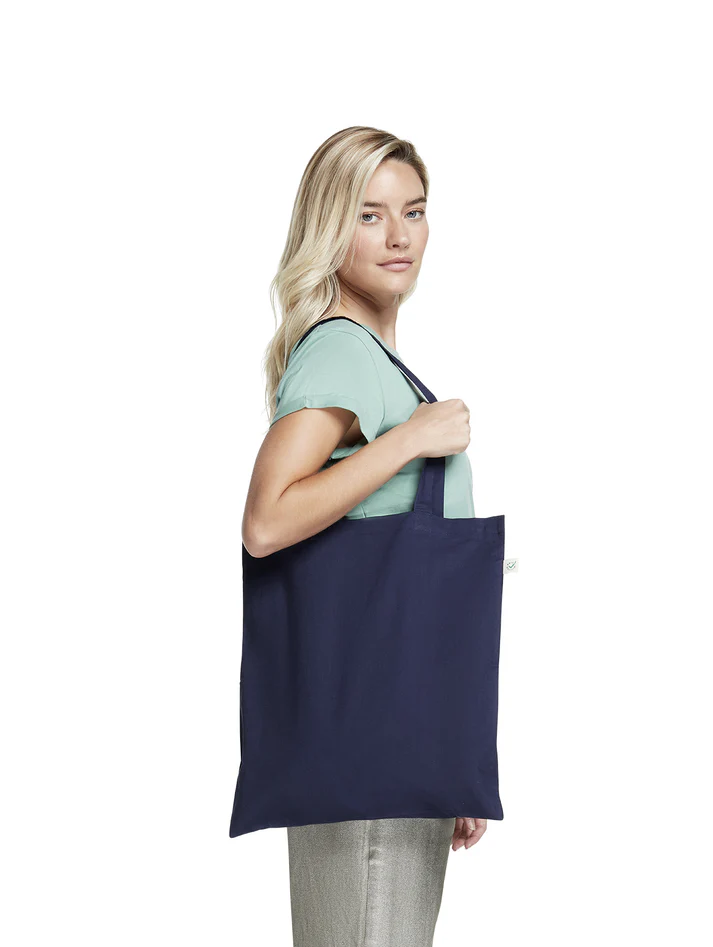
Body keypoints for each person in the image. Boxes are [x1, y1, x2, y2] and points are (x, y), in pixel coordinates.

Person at [241, 126, 487, 947]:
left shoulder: (378, 364)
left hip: (394, 741)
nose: (397, 236)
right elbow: (266, 521)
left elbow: (410, 597)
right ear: (329, 226)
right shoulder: (342, 354)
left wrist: (448, 751)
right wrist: (408, 441)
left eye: (412, 211)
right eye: (369, 214)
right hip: (369, 752)